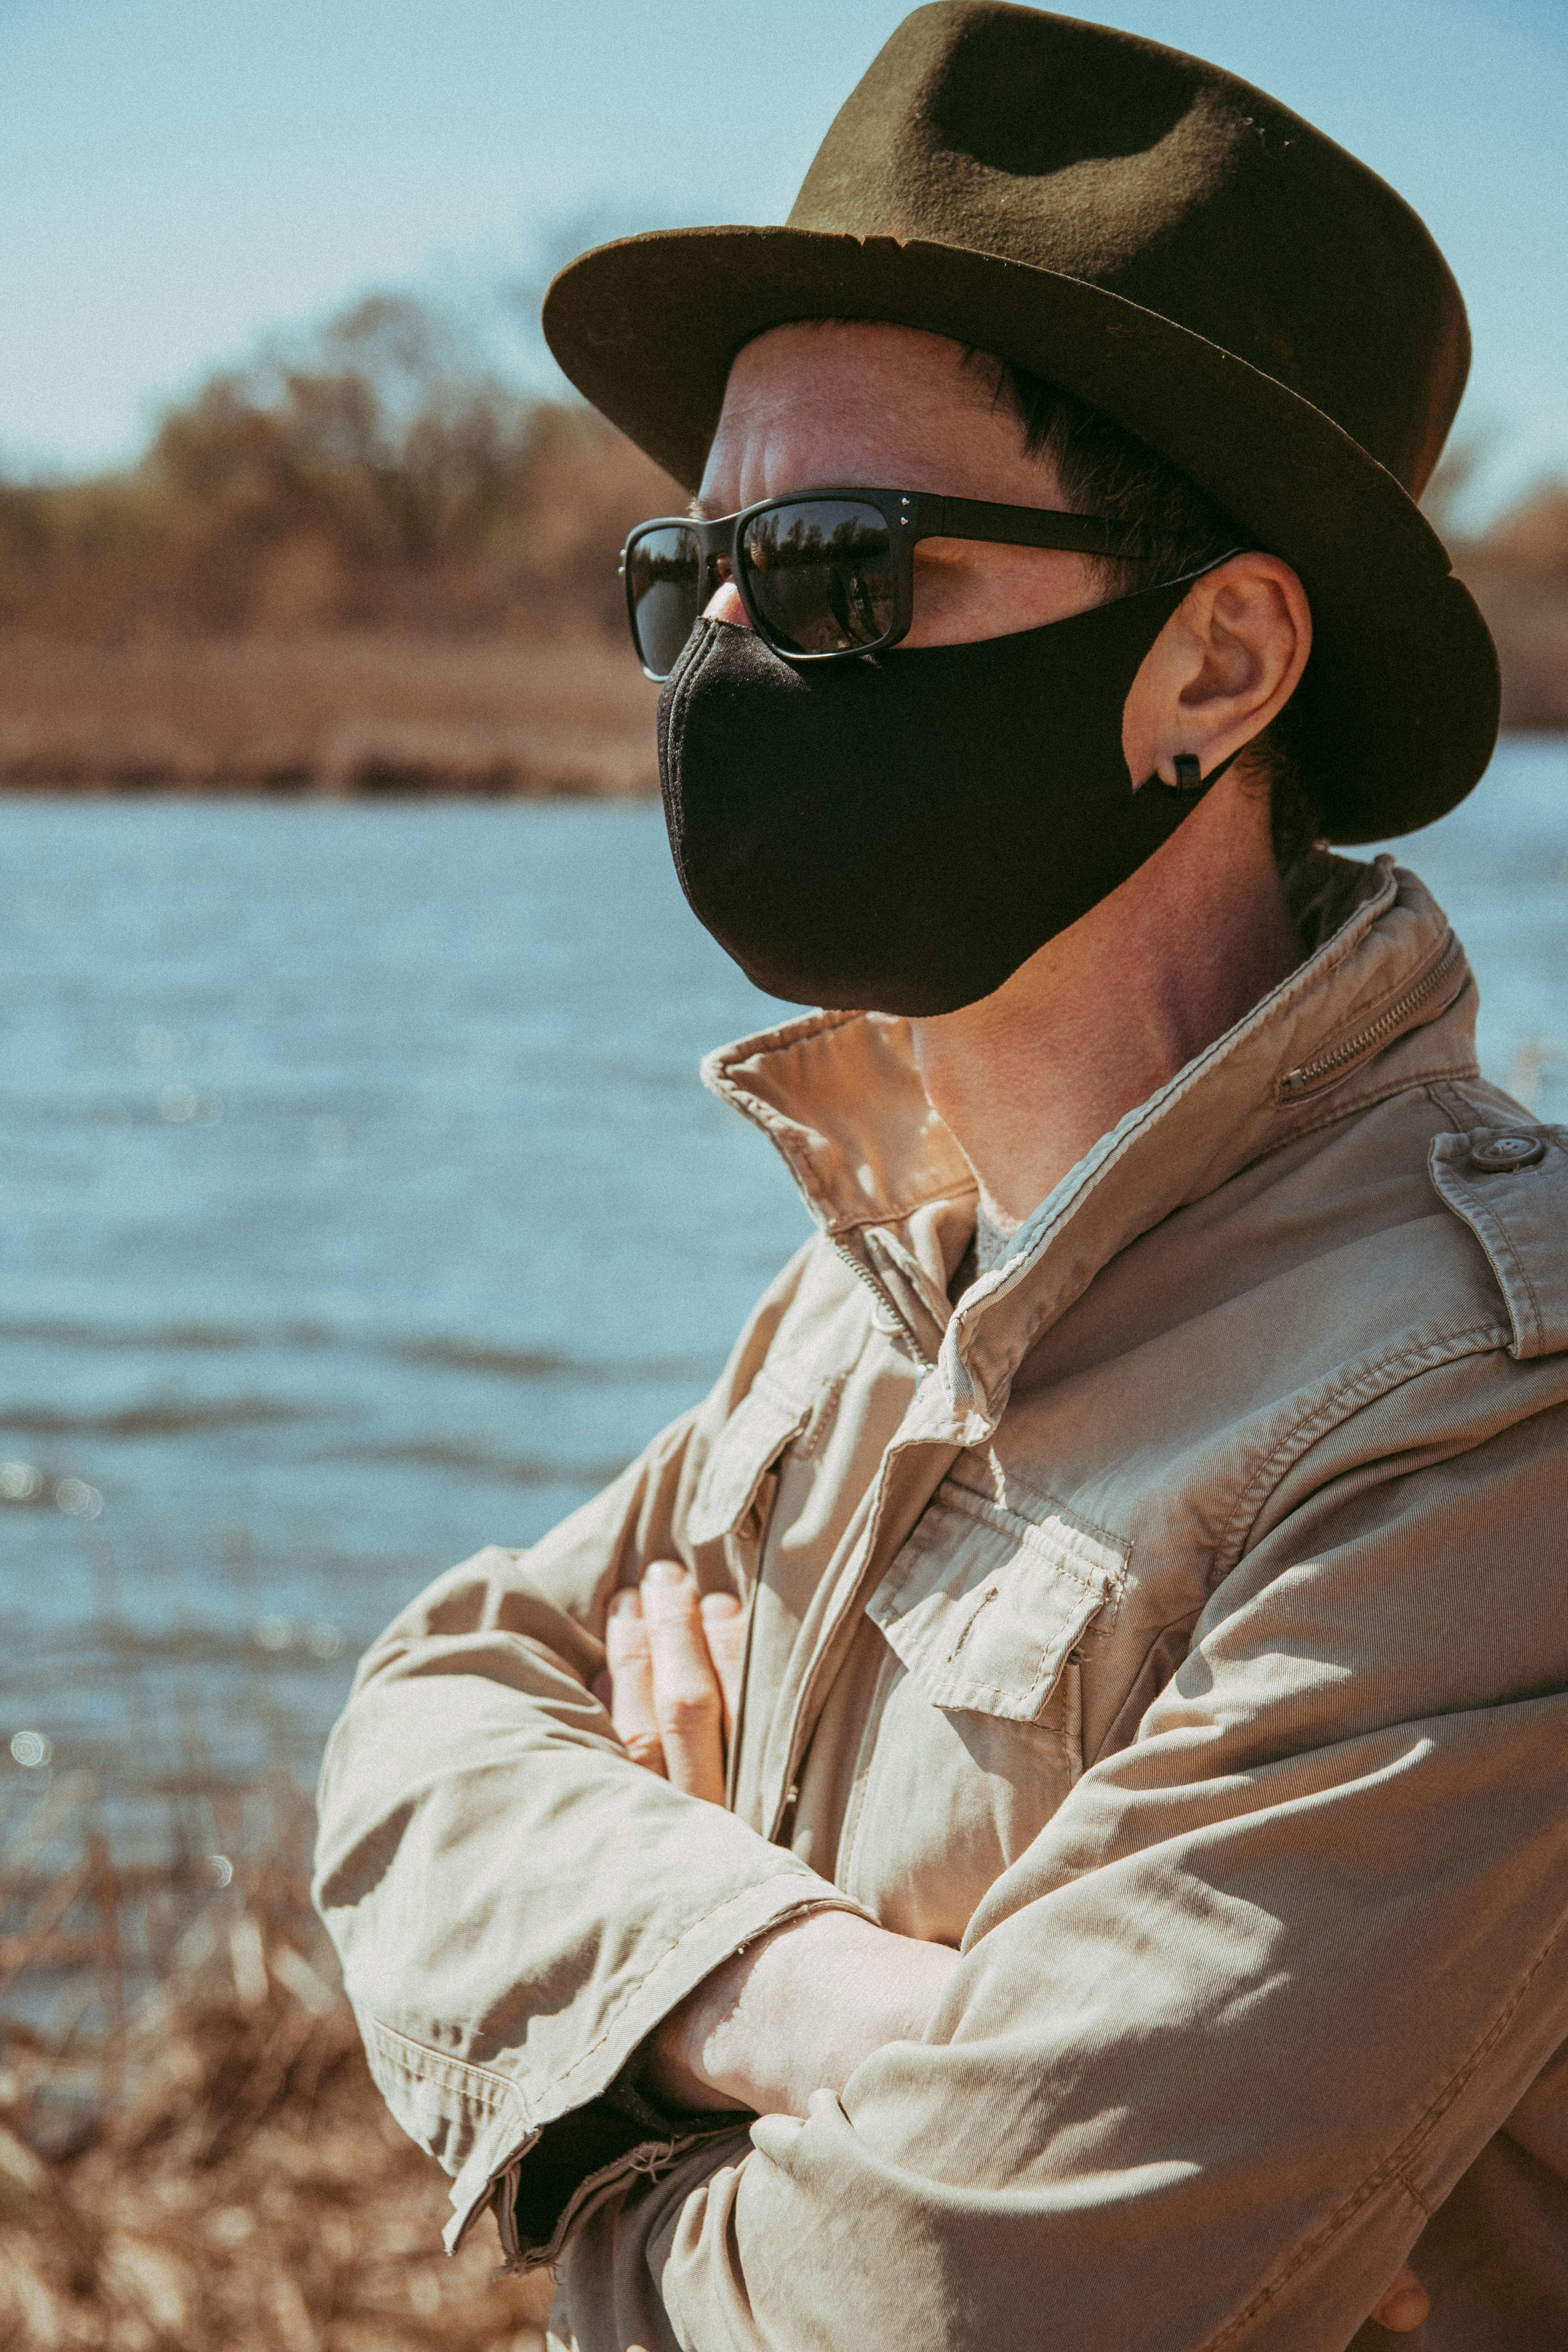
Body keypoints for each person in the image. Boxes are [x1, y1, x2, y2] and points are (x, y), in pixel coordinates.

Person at [314, 9, 1568, 2348]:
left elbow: (929, 2311)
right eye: (680, 568)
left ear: (1213, 658)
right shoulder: (873, 1272)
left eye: (835, 572)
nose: (714, 649)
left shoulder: (1487, 1409)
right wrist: (813, 1994)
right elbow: (420, 1725)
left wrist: (622, 2089)